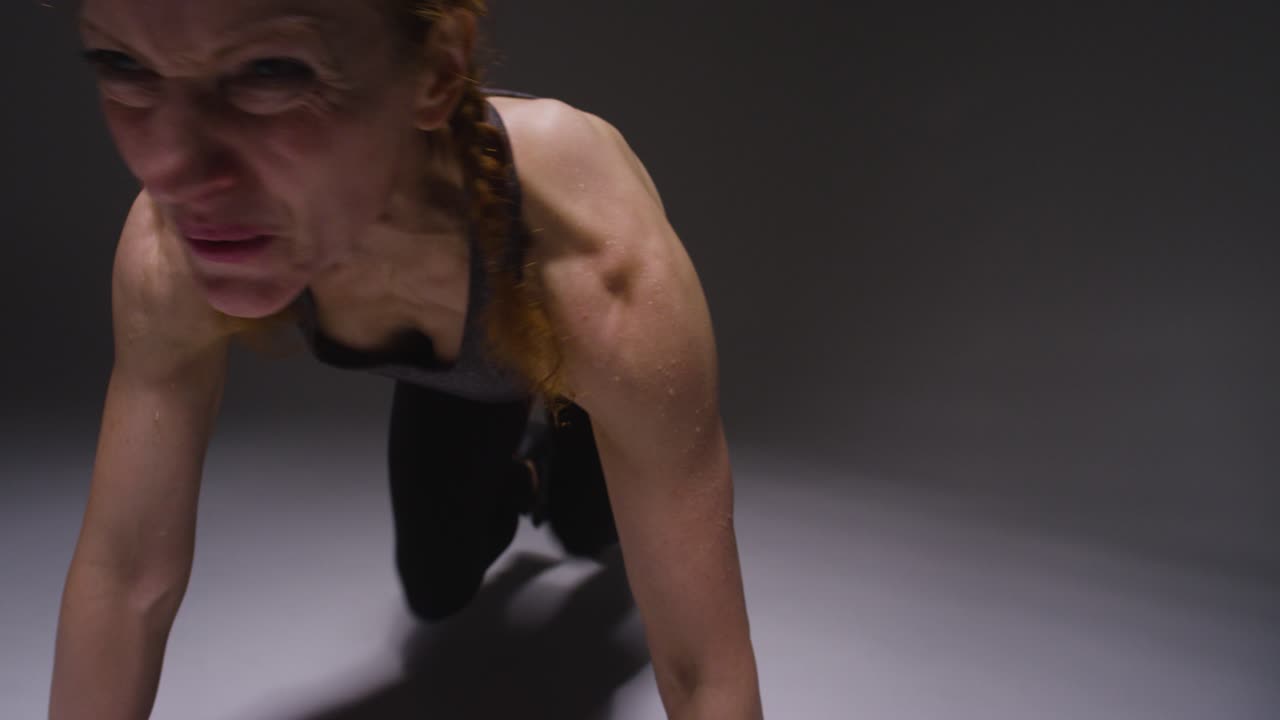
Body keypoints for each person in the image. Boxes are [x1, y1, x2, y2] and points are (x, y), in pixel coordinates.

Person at [49, 1, 763, 718]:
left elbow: (705, 670)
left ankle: (562, 446)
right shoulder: (172, 245)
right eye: (125, 66)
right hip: (453, 374)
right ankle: (525, 470)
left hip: (564, 357)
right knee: (435, 582)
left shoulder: (595, 261)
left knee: (591, 529)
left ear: (437, 69)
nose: (172, 168)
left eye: (270, 72)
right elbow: (127, 576)